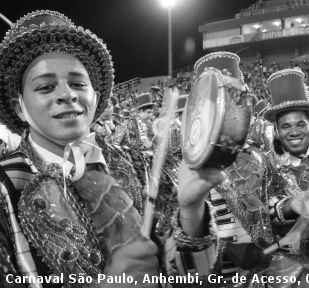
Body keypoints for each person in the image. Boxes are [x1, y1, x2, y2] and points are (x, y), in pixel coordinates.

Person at [0, 10, 222, 288]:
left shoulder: (137, 164)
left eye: (78, 83)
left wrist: (191, 212)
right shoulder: (6, 187)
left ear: (94, 94)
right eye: (45, 87)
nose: (68, 94)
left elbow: (193, 276)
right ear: (20, 106)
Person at [213, 67, 309, 288]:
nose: (294, 131)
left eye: (300, 123)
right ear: (277, 131)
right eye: (286, 126)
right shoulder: (265, 160)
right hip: (283, 262)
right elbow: (263, 211)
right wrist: (291, 205)